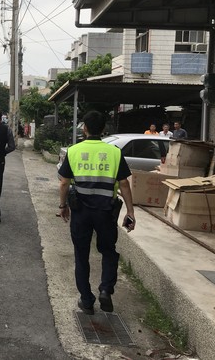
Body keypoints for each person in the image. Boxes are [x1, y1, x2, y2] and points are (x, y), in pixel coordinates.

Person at [57, 110, 135, 315]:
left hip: (81, 211)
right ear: (103, 129)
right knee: (108, 251)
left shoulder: (74, 151)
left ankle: (86, 300)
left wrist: (62, 206)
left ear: (84, 128)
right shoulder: (114, 152)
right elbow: (124, 183)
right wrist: (130, 211)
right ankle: (105, 289)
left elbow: (64, 182)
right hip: (106, 212)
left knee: (81, 255)